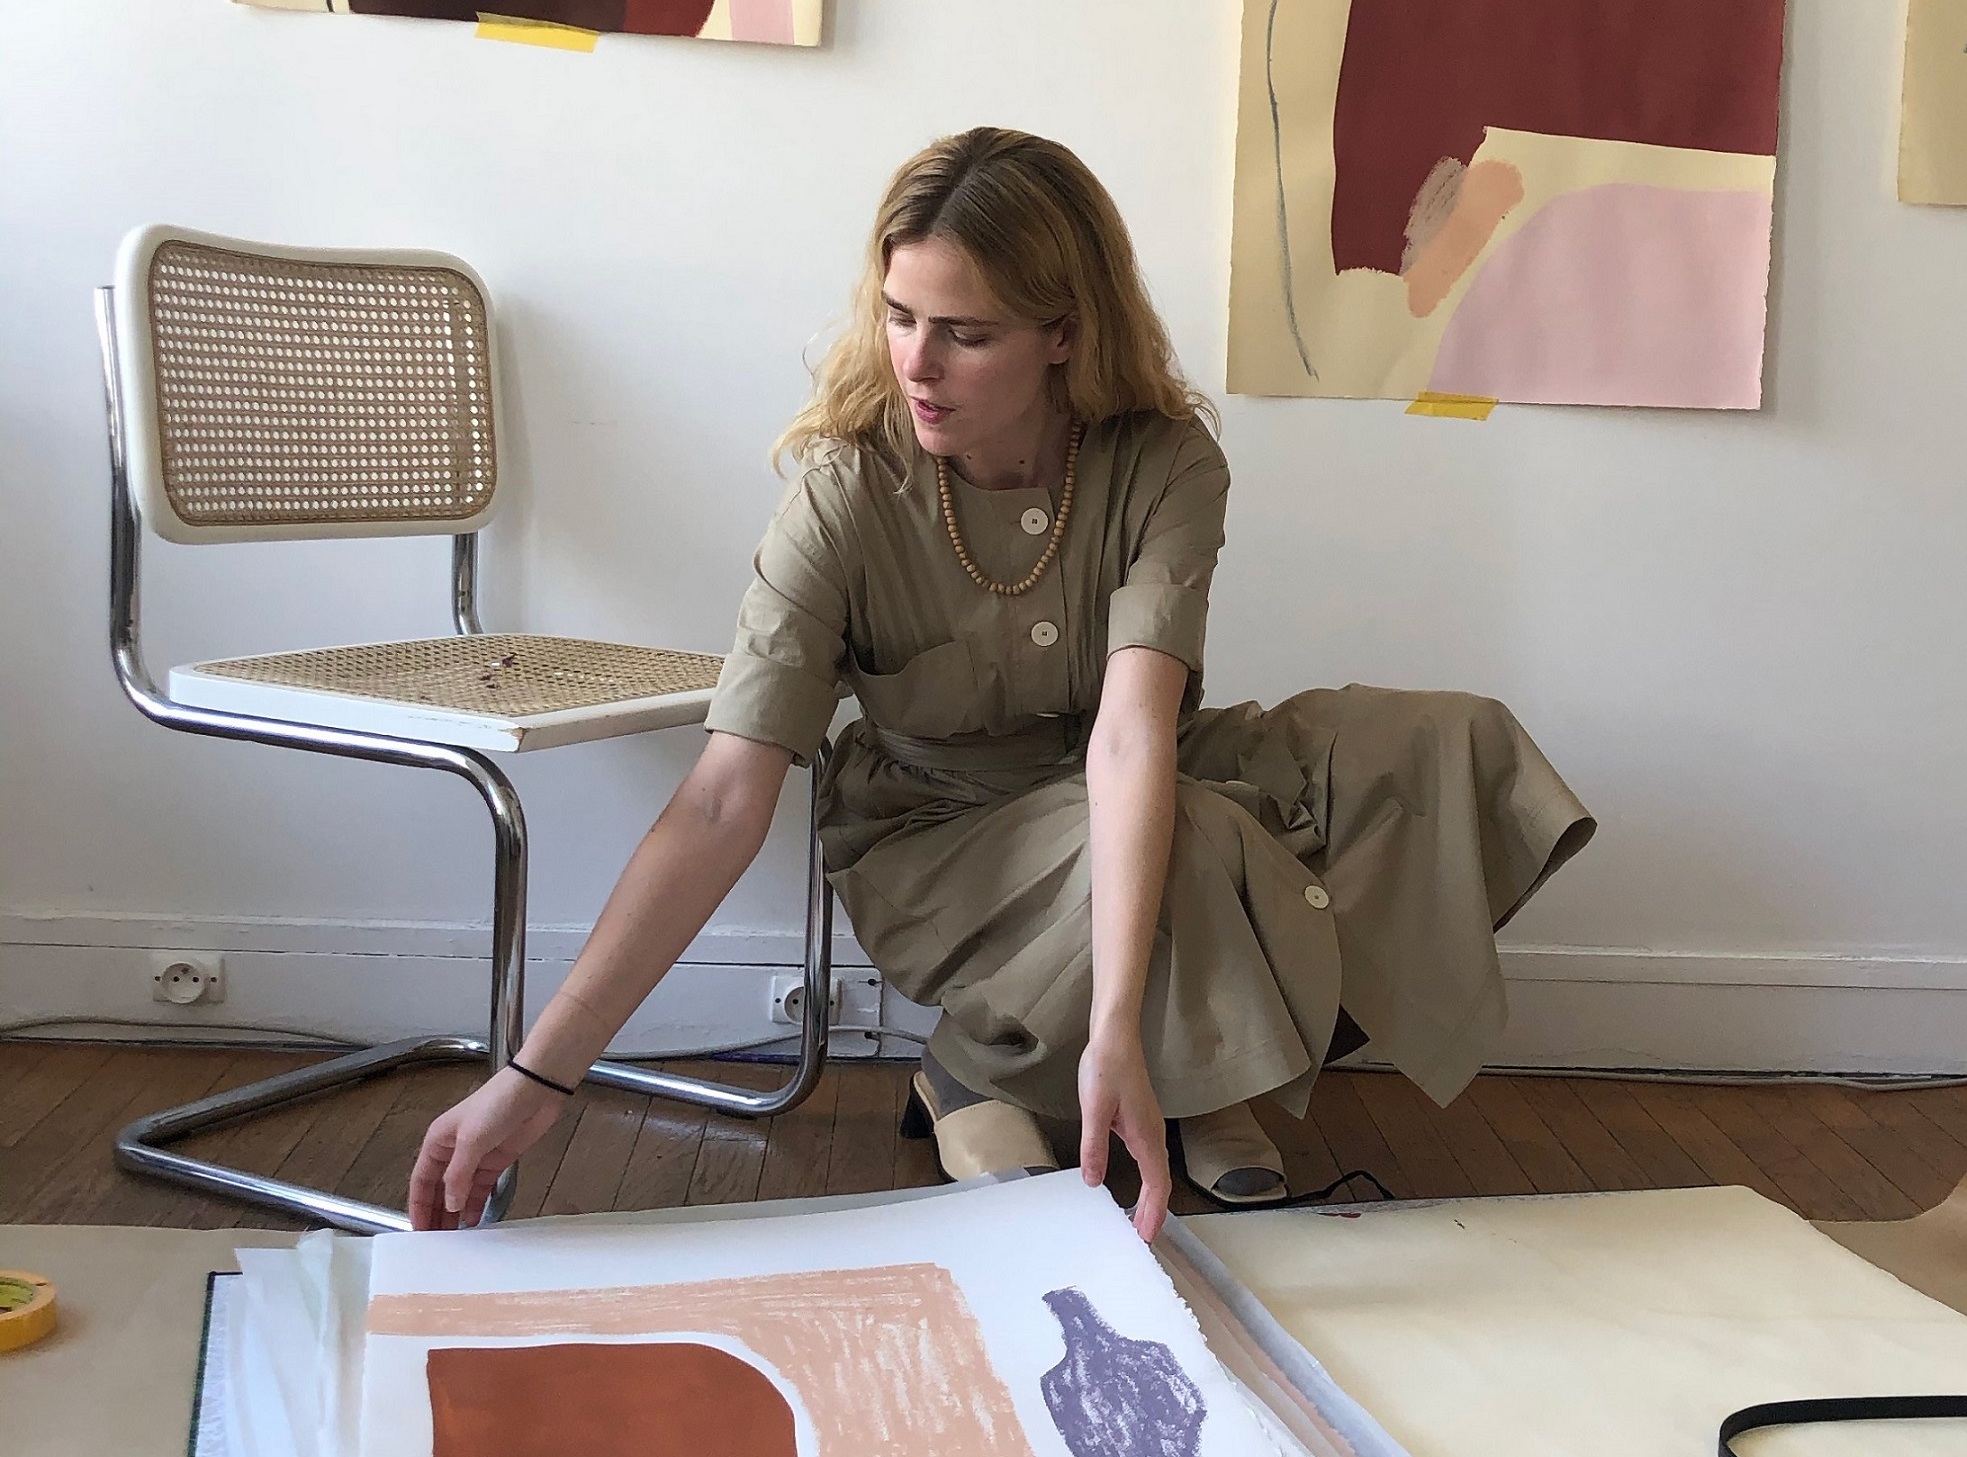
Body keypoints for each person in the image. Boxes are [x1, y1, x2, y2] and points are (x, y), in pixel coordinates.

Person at [408, 127, 1594, 1242]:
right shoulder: (842, 493)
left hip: (1137, 772)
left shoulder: (1164, 460)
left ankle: (1179, 1067)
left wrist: (1117, 1026)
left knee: (1451, 752)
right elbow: (723, 796)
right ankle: (988, 1068)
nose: (915, 364)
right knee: (1195, 838)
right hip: (939, 831)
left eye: (965, 334)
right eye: (897, 316)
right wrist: (538, 1072)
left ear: (1063, 333)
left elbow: (1130, 739)